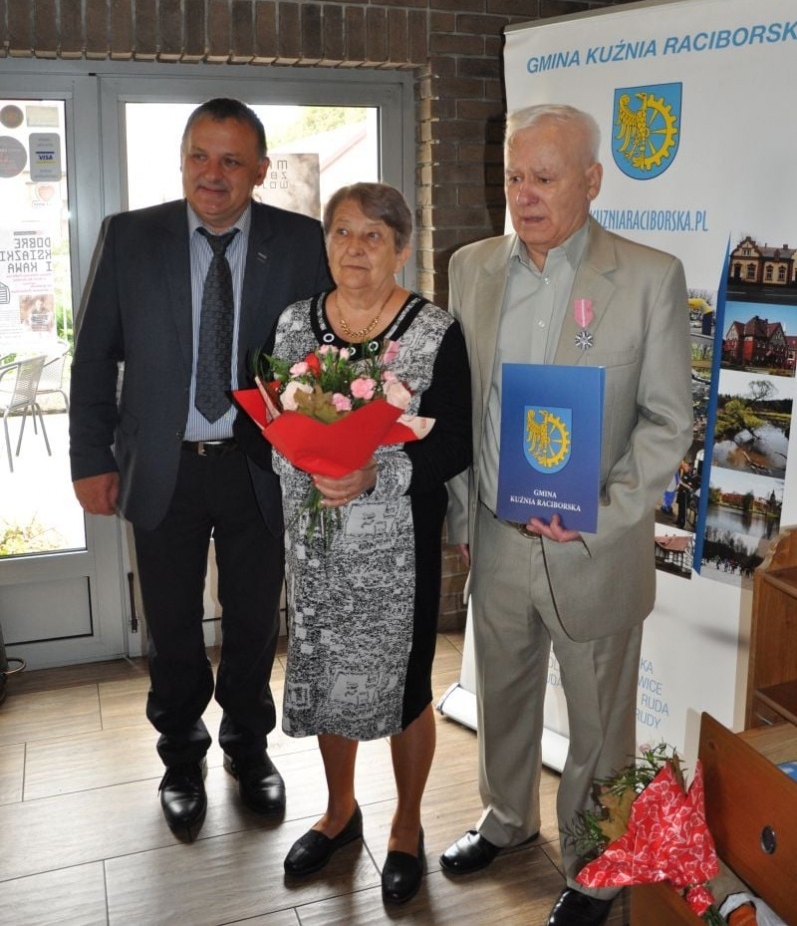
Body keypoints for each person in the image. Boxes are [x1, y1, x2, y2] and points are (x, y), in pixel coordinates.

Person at [439, 105, 693, 926]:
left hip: (594, 545)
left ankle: (595, 869)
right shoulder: (470, 267)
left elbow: (667, 422)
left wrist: (601, 515)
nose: (523, 195)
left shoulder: (648, 276)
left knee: (599, 725)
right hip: (497, 534)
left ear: (591, 181)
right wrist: (464, 517)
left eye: (544, 178)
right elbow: (463, 406)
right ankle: (506, 819)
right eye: (514, 176)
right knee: (502, 693)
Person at [69, 97, 330, 841]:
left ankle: (248, 746)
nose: (212, 175)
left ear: (260, 170)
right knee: (172, 623)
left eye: (231, 161)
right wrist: (90, 458)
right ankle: (181, 756)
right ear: (183, 159)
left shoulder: (299, 241)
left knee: (254, 618)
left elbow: (323, 354)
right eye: (199, 157)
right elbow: (95, 356)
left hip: (258, 469)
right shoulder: (130, 236)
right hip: (163, 468)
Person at [261, 182, 471, 905]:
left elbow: (455, 442)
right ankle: (339, 811)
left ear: (402, 249)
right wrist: (305, 461)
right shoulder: (295, 324)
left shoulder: (434, 331)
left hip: (397, 547)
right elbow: (272, 421)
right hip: (316, 541)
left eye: (373, 236)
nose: (355, 248)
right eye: (342, 232)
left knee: (404, 684)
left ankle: (406, 825)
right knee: (327, 675)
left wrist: (373, 473)